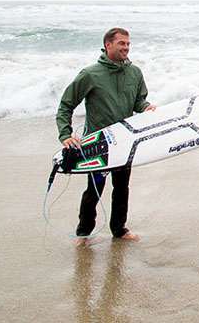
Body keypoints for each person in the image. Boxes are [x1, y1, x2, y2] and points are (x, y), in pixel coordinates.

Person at [55, 27, 157, 247]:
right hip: (99, 145)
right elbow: (66, 105)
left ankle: (119, 229)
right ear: (108, 45)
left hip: (125, 142)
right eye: (122, 43)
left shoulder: (135, 73)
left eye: (128, 44)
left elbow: (139, 102)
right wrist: (66, 135)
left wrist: (146, 108)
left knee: (122, 188)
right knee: (95, 188)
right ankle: (83, 233)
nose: (126, 48)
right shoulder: (90, 74)